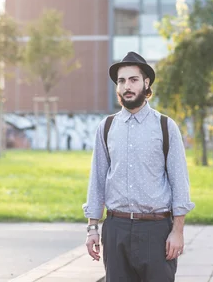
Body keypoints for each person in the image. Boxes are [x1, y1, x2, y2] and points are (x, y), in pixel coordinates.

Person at [82, 51, 195, 282]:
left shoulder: (165, 126)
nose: (127, 86)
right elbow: (97, 180)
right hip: (116, 230)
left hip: (156, 231)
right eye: (121, 81)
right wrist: (92, 228)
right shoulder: (106, 127)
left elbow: (179, 182)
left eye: (133, 80)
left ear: (146, 83)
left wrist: (178, 231)